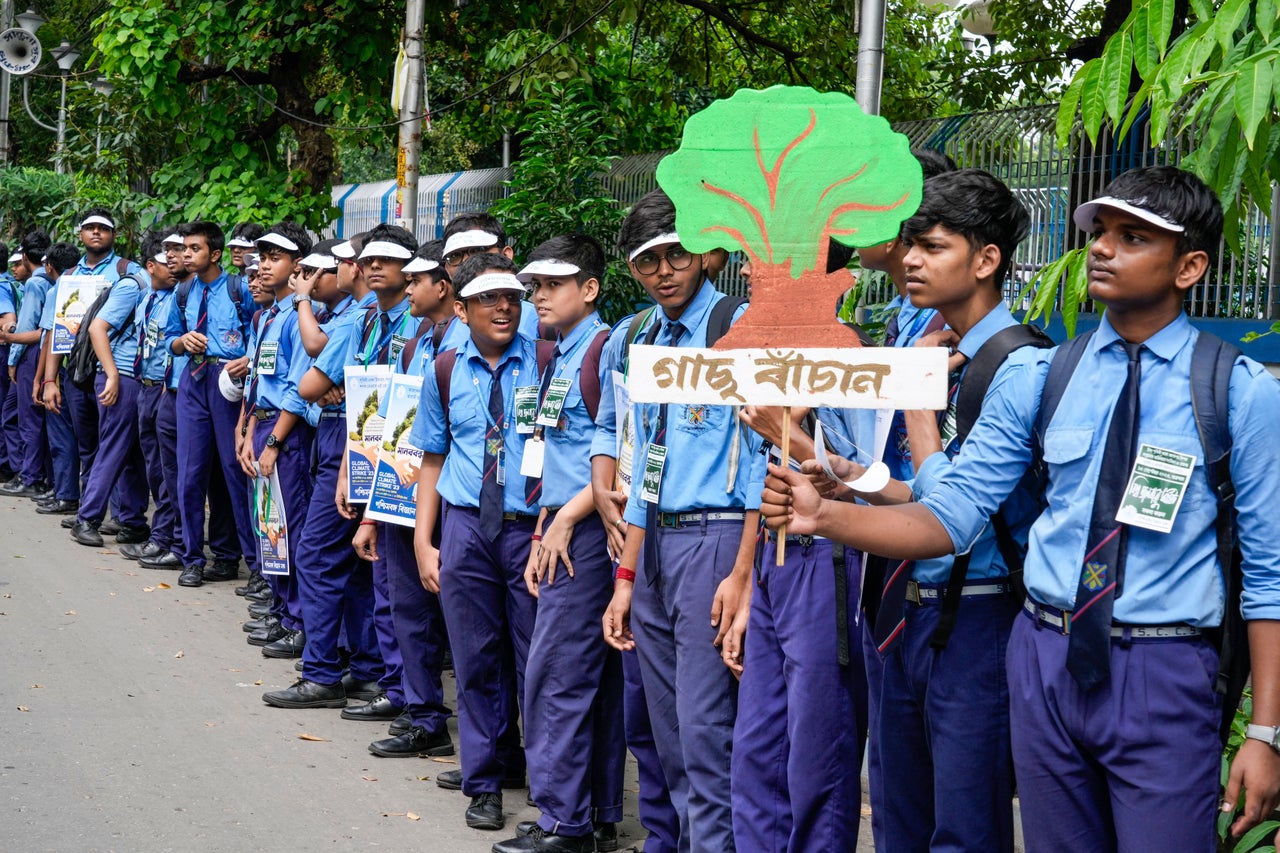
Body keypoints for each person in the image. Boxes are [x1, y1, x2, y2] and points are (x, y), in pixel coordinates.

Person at [759, 165, 1280, 849]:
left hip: (1162, 665)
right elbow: (951, 513)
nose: (1101, 247)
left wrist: (1266, 732)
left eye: (1133, 236)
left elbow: (1269, 576)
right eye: (1099, 232)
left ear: (1189, 266)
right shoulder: (1042, 376)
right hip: (1042, 655)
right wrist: (824, 513)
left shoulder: (1239, 392)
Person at [602, 189, 764, 852]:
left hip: (717, 537)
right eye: (648, 261)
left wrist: (745, 574)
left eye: (675, 253)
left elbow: (764, 455)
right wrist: (624, 578)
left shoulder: (736, 325)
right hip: (656, 543)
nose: (664, 269)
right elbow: (644, 457)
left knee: (705, 729)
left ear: (703, 254)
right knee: (667, 729)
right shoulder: (642, 336)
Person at [493, 235, 625, 853]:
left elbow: (620, 451)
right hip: (563, 526)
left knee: (558, 675)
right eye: (535, 286)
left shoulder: (606, 350)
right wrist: (550, 520)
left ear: (590, 288)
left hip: (592, 534)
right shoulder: (560, 355)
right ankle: (590, 813)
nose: (538, 296)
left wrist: (566, 520)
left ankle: (563, 823)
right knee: (582, 676)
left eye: (554, 284)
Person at [412, 254, 540, 833]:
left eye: (511, 296)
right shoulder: (443, 369)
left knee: (537, 657)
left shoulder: (544, 361)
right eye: (487, 298)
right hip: (466, 525)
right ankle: (483, 782)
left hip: (531, 529)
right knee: (474, 658)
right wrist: (423, 539)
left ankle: (545, 777)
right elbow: (432, 457)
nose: (503, 307)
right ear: (460, 309)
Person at [233, 222, 315, 657]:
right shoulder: (266, 314)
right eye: (262, 257)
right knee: (269, 524)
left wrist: (273, 442)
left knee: (291, 525)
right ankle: (283, 610)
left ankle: (298, 619)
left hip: (285, 431)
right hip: (261, 424)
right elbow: (258, 380)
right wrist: (246, 429)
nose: (264, 266)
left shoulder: (298, 318)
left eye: (275, 258)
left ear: (297, 266)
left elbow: (295, 388)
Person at [165, 220, 257, 587]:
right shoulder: (183, 292)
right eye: (184, 248)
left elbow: (257, 329)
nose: (185, 254)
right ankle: (192, 558)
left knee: (233, 473)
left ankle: (248, 563)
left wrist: (247, 360)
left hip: (227, 382)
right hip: (192, 379)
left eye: (194, 249)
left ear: (214, 254)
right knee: (190, 474)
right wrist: (182, 341)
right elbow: (169, 340)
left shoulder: (239, 289)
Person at [67, 229, 152, 548]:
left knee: (133, 454)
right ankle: (87, 518)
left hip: (134, 378)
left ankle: (131, 520)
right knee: (114, 448)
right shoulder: (134, 286)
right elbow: (97, 328)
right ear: (153, 263)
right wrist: (113, 375)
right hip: (122, 377)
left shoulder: (155, 287)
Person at [120, 233, 182, 566]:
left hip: (164, 388)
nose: (172, 265)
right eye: (165, 258)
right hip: (144, 387)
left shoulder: (178, 298)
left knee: (166, 468)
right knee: (153, 467)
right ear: (150, 266)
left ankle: (166, 538)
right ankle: (162, 534)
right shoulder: (147, 298)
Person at [5, 231, 54, 504]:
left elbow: (28, 327)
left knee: (29, 418)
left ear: (25, 256)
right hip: (44, 350)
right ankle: (34, 474)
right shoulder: (52, 279)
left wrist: (12, 356)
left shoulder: (36, 283)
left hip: (31, 352)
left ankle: (30, 477)